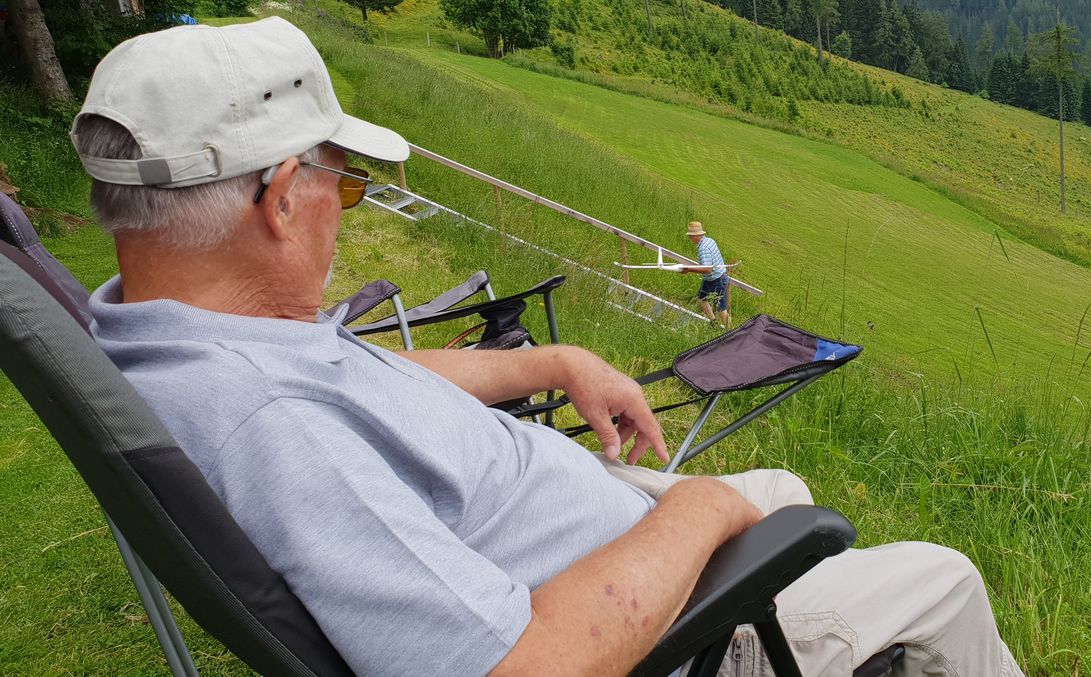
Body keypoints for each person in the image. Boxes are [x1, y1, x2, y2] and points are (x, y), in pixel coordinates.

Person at [74, 17, 1024, 677]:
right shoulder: (274, 427)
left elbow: (362, 377)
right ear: (283, 198)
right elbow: (521, 666)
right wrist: (693, 512)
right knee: (943, 581)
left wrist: (547, 363)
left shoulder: (175, 330)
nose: (346, 206)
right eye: (345, 183)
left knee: (779, 488)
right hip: (650, 640)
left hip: (584, 541)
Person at [681, 221, 731, 328]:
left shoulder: (703, 248)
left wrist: (689, 269)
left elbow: (708, 269)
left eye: (690, 236)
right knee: (701, 299)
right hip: (715, 277)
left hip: (716, 280)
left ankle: (732, 332)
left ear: (696, 236)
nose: (690, 238)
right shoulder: (710, 241)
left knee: (721, 309)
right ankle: (714, 324)